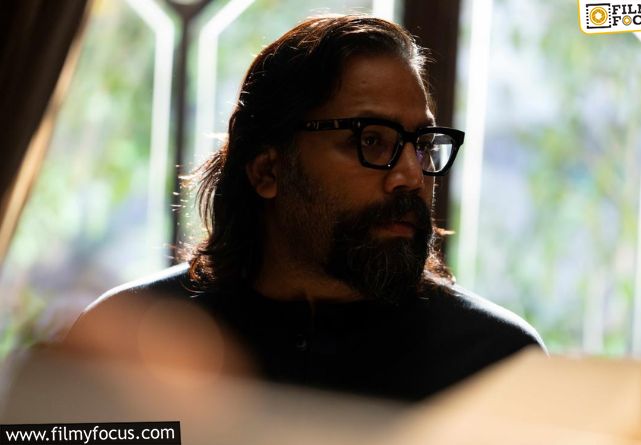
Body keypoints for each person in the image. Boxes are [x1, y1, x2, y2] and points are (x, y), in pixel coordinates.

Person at [66, 14, 545, 402]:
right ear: (267, 171)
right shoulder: (131, 343)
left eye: (421, 145)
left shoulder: (497, 364)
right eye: (371, 140)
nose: (411, 177)